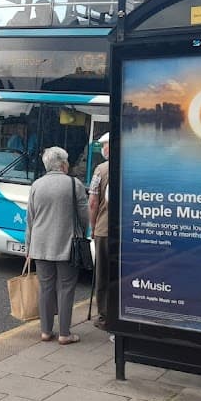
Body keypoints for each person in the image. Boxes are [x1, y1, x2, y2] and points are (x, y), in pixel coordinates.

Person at [24, 146, 90, 344]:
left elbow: (30, 219)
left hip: (40, 244)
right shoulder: (74, 184)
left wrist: (28, 247)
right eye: (67, 162)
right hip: (67, 244)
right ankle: (64, 333)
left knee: (45, 287)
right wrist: (83, 231)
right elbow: (84, 215)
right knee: (66, 287)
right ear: (62, 164)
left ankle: (45, 331)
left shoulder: (36, 185)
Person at [88, 132, 110, 328]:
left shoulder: (100, 170)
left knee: (102, 274)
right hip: (126, 230)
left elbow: (93, 202)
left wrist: (92, 226)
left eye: (104, 146)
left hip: (104, 229)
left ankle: (104, 316)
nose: (102, 149)